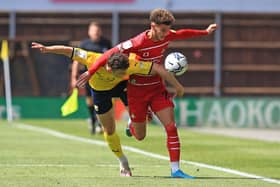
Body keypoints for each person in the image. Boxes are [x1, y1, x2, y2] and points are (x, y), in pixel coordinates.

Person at [77, 8, 217, 179]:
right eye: (163, 30)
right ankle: (132, 126)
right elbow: (109, 53)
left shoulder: (166, 35)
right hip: (136, 91)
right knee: (140, 136)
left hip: (157, 88)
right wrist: (91, 72)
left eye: (168, 30)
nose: (166, 34)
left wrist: (205, 32)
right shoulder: (137, 42)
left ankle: (175, 170)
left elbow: (182, 33)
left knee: (171, 127)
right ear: (153, 26)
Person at [31, 42, 185, 177]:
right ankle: (123, 161)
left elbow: (157, 69)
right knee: (109, 130)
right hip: (100, 92)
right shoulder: (92, 58)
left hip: (122, 88)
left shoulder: (129, 64)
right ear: (109, 68)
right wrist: (47, 49)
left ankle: (132, 122)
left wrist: (176, 85)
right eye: (122, 73)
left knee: (143, 119)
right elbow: (68, 50)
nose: (125, 73)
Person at [71, 21, 111, 134]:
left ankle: (99, 123)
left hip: (103, 77)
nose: (96, 33)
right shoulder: (84, 44)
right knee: (90, 101)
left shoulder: (106, 43)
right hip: (88, 76)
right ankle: (93, 121)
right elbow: (76, 62)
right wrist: (74, 78)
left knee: (102, 100)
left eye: (98, 30)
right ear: (89, 32)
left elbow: (111, 58)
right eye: (94, 31)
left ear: (100, 31)